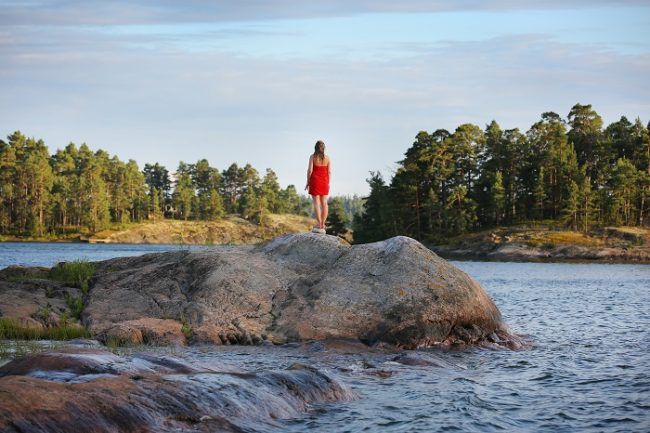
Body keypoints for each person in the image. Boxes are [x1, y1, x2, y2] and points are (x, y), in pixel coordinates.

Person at [305, 140, 330, 234]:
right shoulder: (328, 158)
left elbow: (309, 170)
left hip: (315, 180)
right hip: (324, 181)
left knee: (316, 203)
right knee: (324, 203)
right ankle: (323, 224)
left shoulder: (313, 157)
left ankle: (319, 224)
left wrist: (308, 182)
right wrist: (328, 182)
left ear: (315, 148)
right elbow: (329, 172)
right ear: (323, 148)